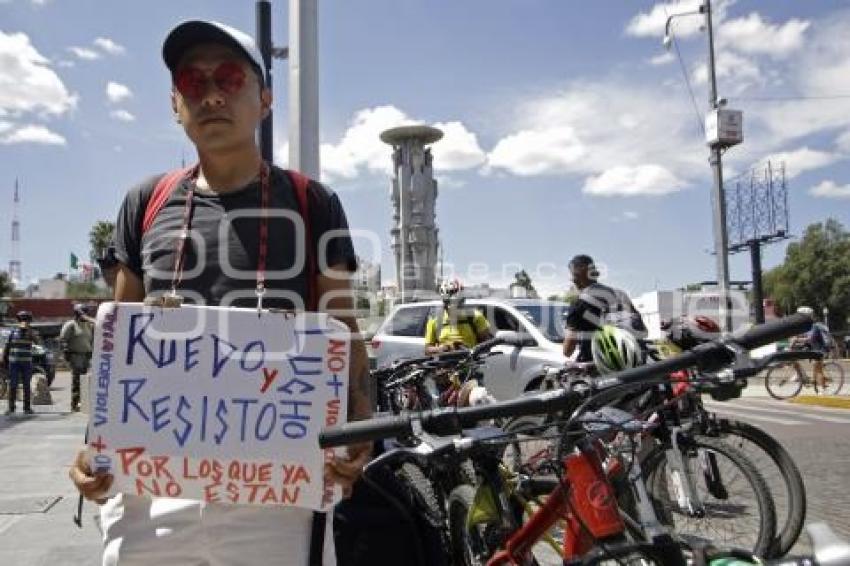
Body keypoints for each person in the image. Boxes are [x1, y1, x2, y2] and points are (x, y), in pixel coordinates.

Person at [67, 20, 371, 566]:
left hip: (277, 499)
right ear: (174, 104)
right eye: (191, 80)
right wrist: (97, 447)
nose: (210, 94)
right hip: (151, 497)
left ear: (265, 100)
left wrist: (361, 427)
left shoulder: (312, 203)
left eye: (229, 78)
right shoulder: (147, 202)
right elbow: (120, 345)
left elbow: (343, 332)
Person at [562, 254, 647, 363]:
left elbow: (567, 351)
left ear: (577, 276)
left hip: (601, 367)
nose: (571, 279)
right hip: (636, 361)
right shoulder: (620, 294)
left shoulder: (579, 304)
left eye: (572, 275)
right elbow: (641, 329)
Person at [424, 278, 492, 355]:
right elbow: (427, 350)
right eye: (451, 303)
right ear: (445, 302)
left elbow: (487, 344)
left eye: (459, 303)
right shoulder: (434, 320)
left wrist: (471, 350)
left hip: (470, 363)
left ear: (463, 301)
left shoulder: (475, 316)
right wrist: (443, 349)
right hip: (445, 364)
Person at [60, 303, 95, 412]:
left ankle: (83, 403)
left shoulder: (89, 325)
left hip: (86, 356)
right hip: (75, 355)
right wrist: (66, 354)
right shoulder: (71, 325)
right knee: (77, 380)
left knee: (85, 380)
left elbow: (91, 340)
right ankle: (74, 404)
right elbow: (63, 340)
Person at [3, 310, 38, 415]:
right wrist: (4, 359)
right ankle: (11, 408)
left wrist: (30, 332)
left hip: (26, 363)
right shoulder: (13, 332)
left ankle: (27, 408)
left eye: (27, 320)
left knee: (27, 385)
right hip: (14, 363)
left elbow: (38, 342)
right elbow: (7, 346)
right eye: (23, 320)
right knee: (13, 384)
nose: (25, 322)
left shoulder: (31, 332)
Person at [791, 306, 832, 389]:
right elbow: (808, 339)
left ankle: (822, 389)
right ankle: (807, 379)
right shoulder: (812, 326)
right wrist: (797, 341)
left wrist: (797, 339)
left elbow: (810, 339)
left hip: (819, 351)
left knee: (818, 371)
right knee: (794, 359)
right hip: (816, 350)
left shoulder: (815, 326)